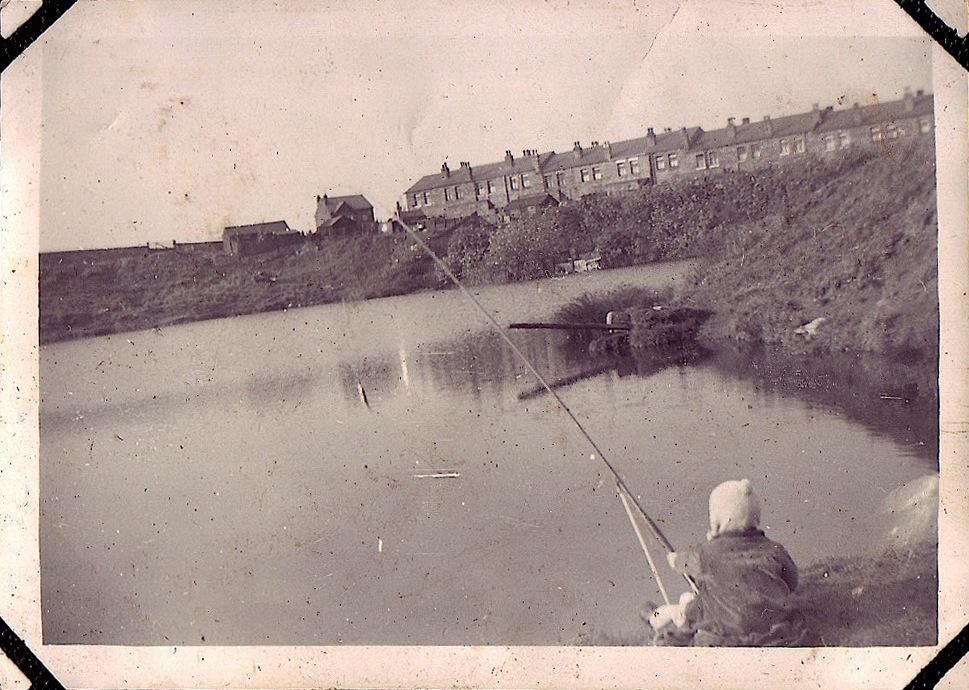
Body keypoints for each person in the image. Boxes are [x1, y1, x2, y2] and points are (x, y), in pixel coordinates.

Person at [646, 478, 810, 646]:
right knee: (699, 599)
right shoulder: (775, 549)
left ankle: (658, 616)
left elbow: (680, 561)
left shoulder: (706, 553)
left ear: (716, 523)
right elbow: (792, 582)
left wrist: (673, 559)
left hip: (722, 640)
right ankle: (666, 615)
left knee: (689, 607)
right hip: (775, 635)